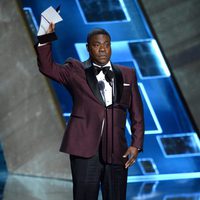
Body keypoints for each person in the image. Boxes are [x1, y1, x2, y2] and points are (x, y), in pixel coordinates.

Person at [35, 23, 144, 200]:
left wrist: (136, 144)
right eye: (97, 44)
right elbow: (47, 67)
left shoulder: (127, 74)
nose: (103, 49)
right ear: (88, 48)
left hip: (118, 151)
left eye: (107, 44)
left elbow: (137, 113)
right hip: (85, 151)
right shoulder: (75, 70)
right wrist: (45, 38)